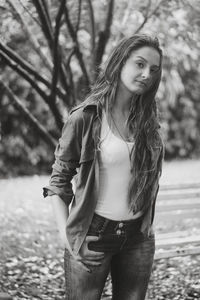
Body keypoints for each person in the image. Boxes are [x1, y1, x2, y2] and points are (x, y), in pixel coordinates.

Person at [43, 34, 164, 300]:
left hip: (138, 240)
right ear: (120, 62)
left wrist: (146, 223)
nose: (146, 74)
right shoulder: (84, 118)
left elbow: (150, 178)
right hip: (92, 235)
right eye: (140, 64)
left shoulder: (148, 122)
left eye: (153, 70)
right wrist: (67, 237)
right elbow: (59, 181)